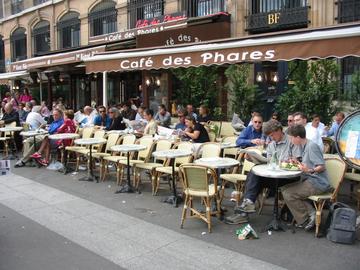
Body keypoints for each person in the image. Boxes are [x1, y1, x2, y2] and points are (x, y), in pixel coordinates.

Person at [226, 120, 300, 224]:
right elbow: (269, 163)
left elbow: (298, 163)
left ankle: (243, 211)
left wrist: (289, 161)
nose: (271, 138)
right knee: (254, 173)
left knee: (255, 178)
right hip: (274, 176)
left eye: (272, 135)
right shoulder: (271, 144)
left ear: (279, 130)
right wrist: (253, 159)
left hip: (288, 178)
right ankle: (247, 205)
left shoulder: (292, 141)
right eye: (269, 136)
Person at [281, 124, 331, 231]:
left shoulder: (311, 146)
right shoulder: (304, 145)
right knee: (283, 188)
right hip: (310, 180)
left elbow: (321, 166)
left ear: (298, 137)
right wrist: (297, 161)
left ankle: (305, 220)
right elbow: (308, 163)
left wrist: (309, 170)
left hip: (318, 182)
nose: (290, 140)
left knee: (288, 193)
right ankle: (312, 214)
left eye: (291, 138)